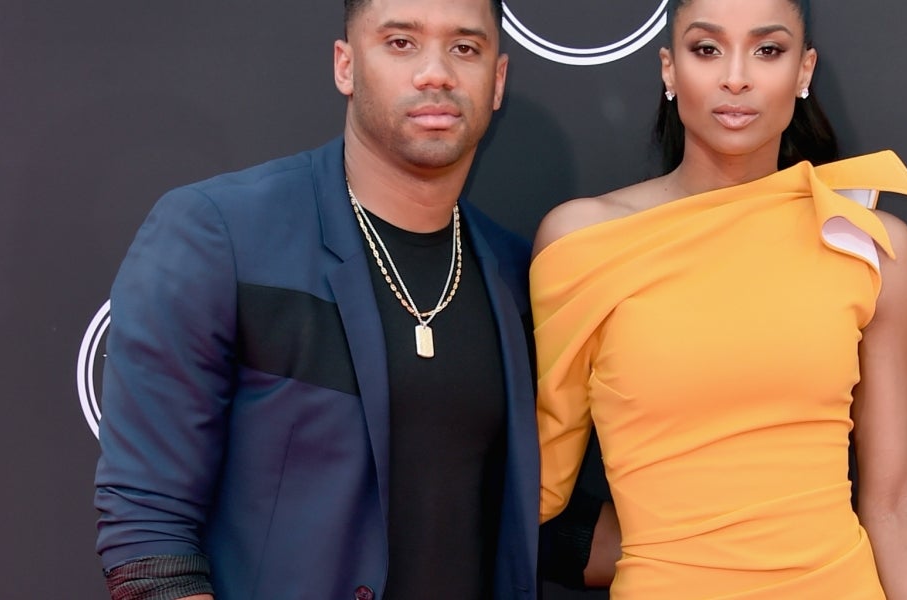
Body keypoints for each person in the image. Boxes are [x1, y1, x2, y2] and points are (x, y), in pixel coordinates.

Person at [94, 0, 605, 598]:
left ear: (497, 81)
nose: (435, 72)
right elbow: (149, 532)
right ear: (345, 65)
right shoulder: (221, 234)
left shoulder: (519, 275)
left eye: (464, 48)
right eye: (400, 43)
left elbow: (520, 513)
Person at [532, 0, 907, 597]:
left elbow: (893, 500)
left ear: (804, 72)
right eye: (707, 49)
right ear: (670, 71)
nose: (736, 76)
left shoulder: (870, 245)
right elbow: (539, 485)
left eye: (768, 50)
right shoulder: (582, 242)